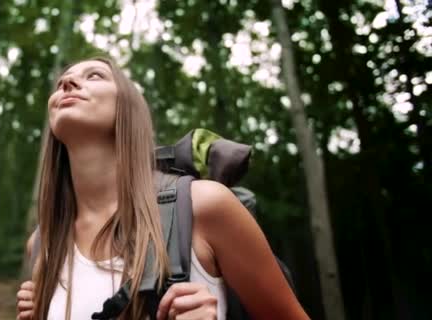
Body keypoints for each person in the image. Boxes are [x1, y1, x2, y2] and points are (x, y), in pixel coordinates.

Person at [16, 57, 309, 320]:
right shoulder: (43, 243)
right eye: (60, 83)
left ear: (129, 108)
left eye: (94, 76)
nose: (67, 82)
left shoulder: (204, 206)